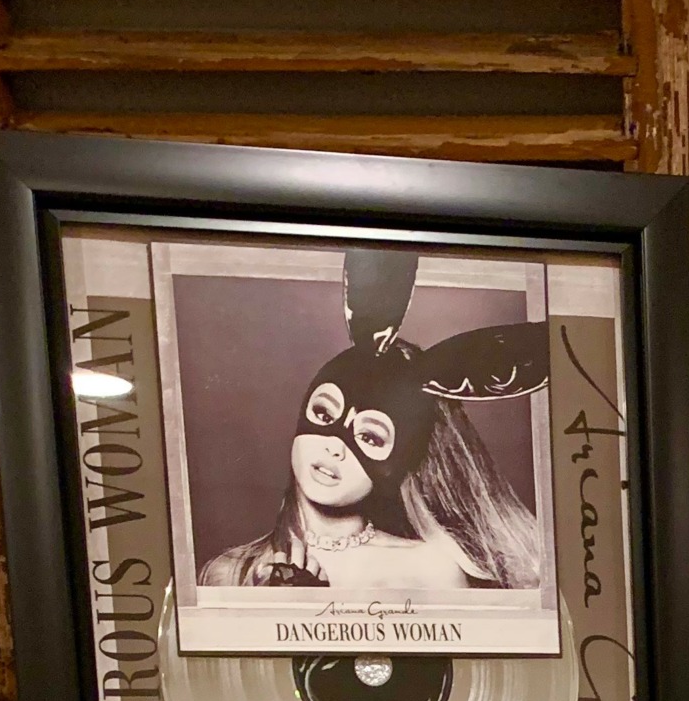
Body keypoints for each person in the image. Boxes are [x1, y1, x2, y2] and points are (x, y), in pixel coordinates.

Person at [202, 249, 547, 592]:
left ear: (400, 462)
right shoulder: (229, 573)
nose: (335, 447)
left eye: (370, 437)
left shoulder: (429, 571)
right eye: (323, 414)